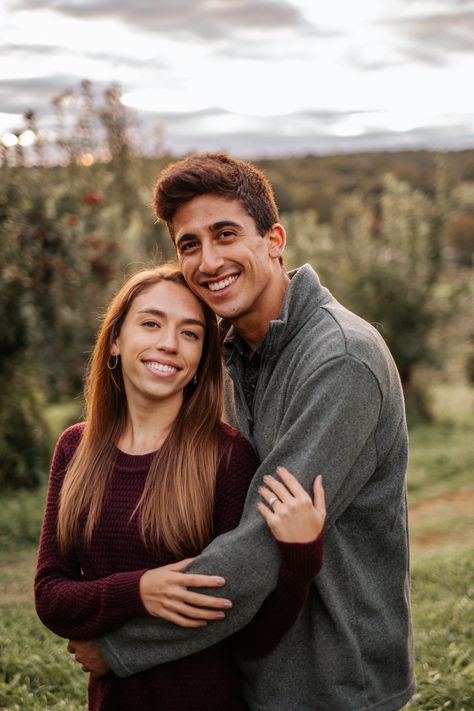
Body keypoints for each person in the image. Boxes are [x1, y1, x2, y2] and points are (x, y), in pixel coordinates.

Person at [68, 153, 415, 711]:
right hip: (249, 670)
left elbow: (263, 547)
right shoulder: (225, 351)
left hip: (332, 682)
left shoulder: (341, 360)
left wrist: (123, 645)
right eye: (189, 244)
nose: (208, 261)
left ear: (274, 239)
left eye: (226, 234)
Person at [35, 265, 326, 711]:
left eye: (190, 334)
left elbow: (251, 636)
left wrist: (301, 560)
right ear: (115, 340)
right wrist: (139, 589)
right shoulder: (75, 449)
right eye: (151, 323)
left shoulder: (227, 458)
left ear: (199, 362)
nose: (168, 344)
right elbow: (51, 598)